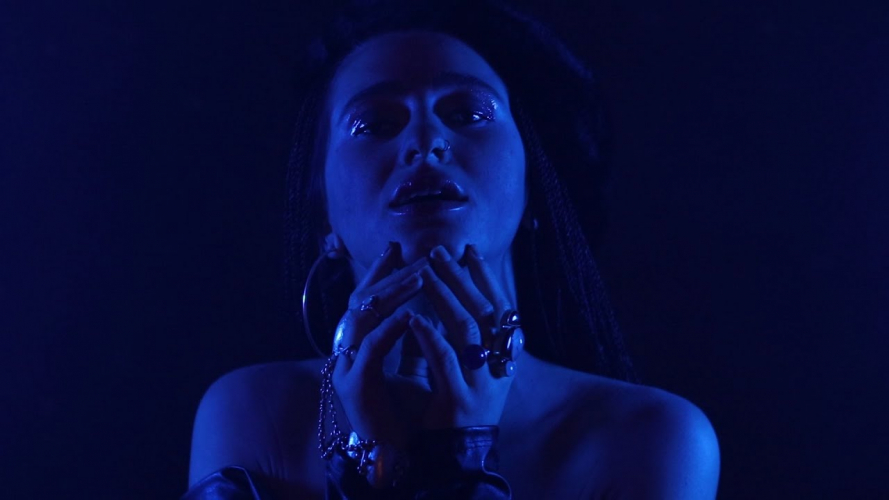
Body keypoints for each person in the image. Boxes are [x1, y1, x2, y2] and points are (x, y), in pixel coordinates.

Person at [184, 1, 720, 498]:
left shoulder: (649, 440)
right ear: (323, 212)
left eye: (467, 114)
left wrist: (460, 455)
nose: (425, 141)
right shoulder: (254, 415)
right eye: (375, 124)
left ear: (532, 185)